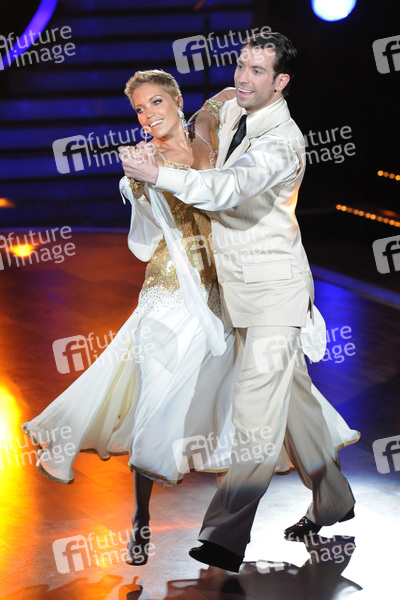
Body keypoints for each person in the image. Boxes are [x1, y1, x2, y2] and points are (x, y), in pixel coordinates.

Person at [119, 33, 358, 573]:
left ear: (281, 82)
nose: (244, 78)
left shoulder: (282, 143)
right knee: (297, 408)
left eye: (258, 71)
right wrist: (205, 106)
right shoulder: (235, 110)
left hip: (274, 295)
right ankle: (334, 498)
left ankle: (224, 537)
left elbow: (226, 188)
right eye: (241, 66)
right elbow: (211, 110)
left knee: (253, 415)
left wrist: (158, 174)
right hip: (235, 295)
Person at [22, 69, 241, 566]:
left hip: (221, 291)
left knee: (227, 400)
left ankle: (226, 532)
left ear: (177, 100)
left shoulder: (206, 136)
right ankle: (142, 517)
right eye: (139, 109)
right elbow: (144, 243)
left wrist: (227, 95)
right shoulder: (143, 162)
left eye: (156, 102)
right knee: (154, 403)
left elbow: (226, 97)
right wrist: (139, 185)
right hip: (167, 296)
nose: (148, 114)